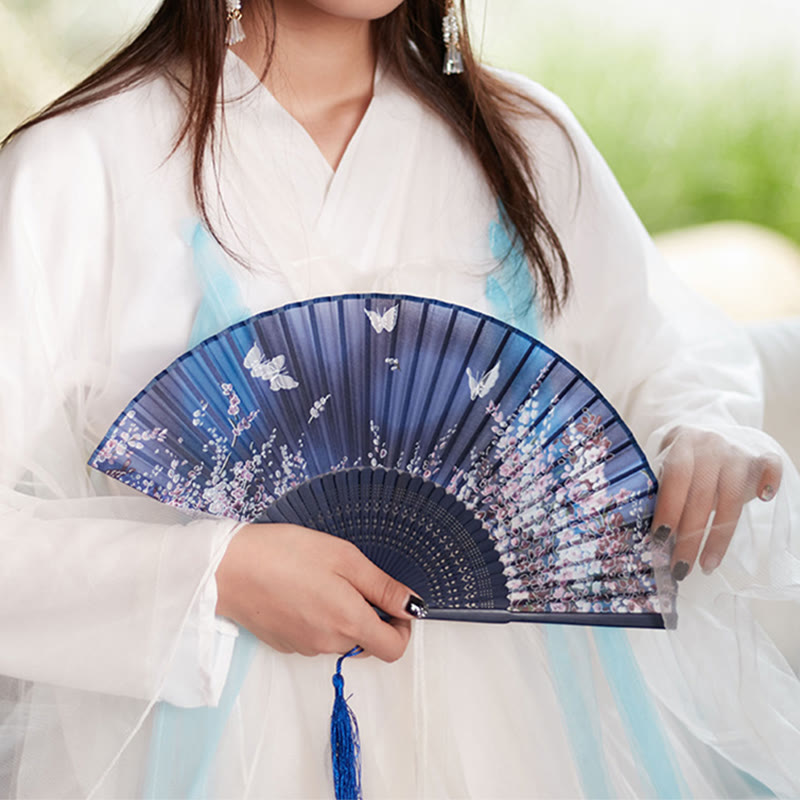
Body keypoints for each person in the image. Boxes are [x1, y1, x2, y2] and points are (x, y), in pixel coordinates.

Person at [1, 1, 798, 797]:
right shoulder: (79, 169)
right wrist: (214, 574)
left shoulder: (522, 139)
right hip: (211, 754)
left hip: (531, 736)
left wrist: (700, 431)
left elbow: (663, 356)